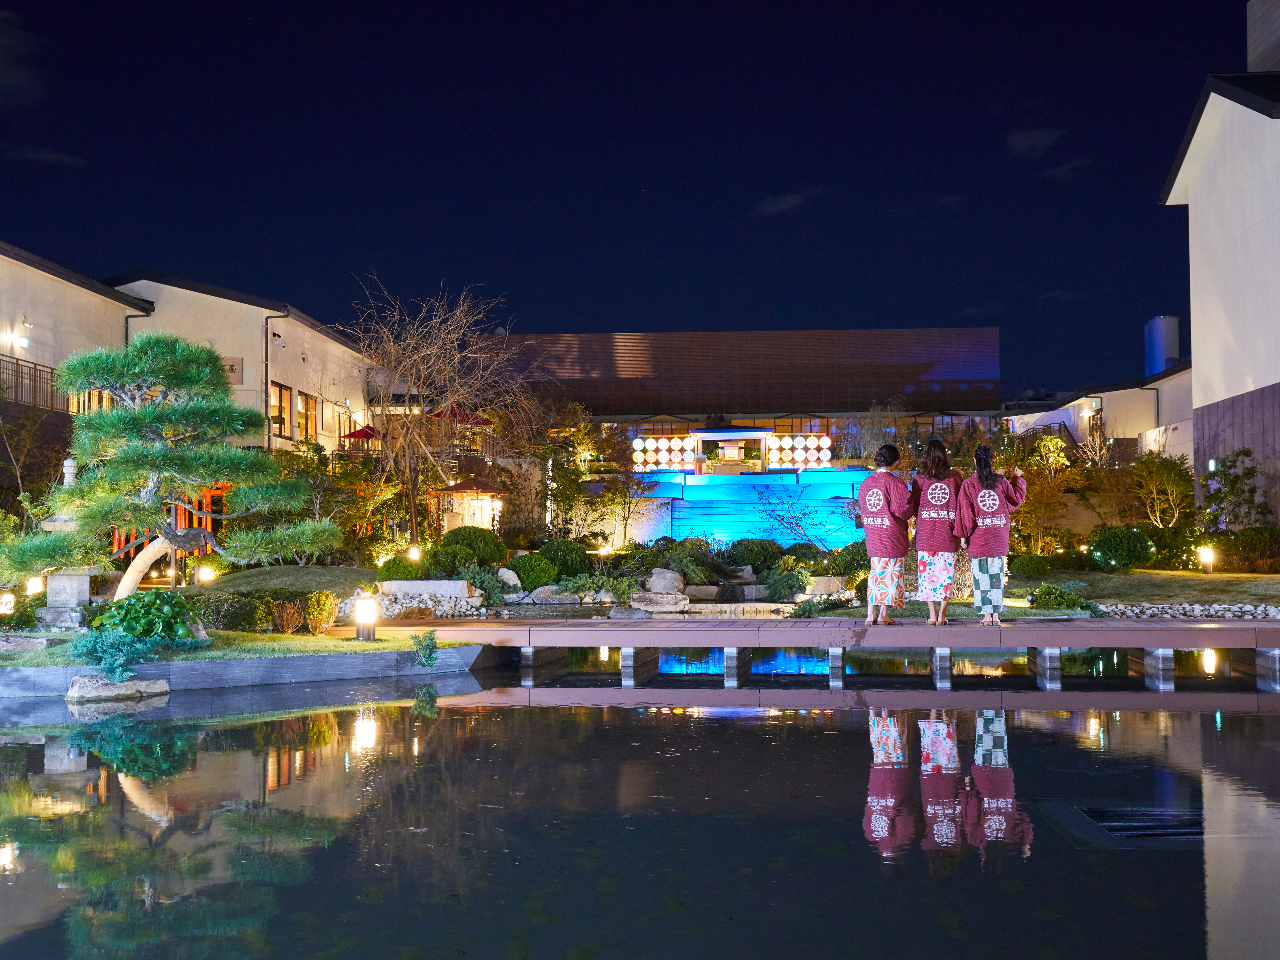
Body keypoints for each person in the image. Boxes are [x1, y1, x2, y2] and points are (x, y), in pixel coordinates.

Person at [955, 445, 1026, 626]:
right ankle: (996, 616)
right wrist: (1017, 478)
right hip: (997, 537)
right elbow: (1015, 500)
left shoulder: (968, 484)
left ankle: (987, 617)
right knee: (996, 578)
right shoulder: (1001, 482)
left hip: (979, 540)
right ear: (991, 461)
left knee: (982, 579)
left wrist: (964, 536)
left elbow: (966, 515)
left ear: (974, 461)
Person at [910, 439, 965, 626]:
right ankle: (942, 615)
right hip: (948, 534)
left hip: (926, 534)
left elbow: (915, 506)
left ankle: (932, 615)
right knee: (945, 576)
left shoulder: (919, 479)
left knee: (926, 576)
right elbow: (961, 505)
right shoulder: (955, 477)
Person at [858, 444, 913, 625]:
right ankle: (883, 614)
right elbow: (902, 510)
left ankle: (870, 614)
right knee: (891, 573)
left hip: (873, 534)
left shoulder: (865, 484)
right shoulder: (895, 483)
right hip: (891, 535)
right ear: (896, 462)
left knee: (875, 573)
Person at [863, 709, 918, 872]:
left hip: (896, 783)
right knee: (879, 748)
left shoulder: (903, 840)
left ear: (900, 861)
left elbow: (906, 814)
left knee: (895, 745)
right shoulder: (871, 836)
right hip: (876, 781)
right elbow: (868, 809)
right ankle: (873, 712)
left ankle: (888, 713)